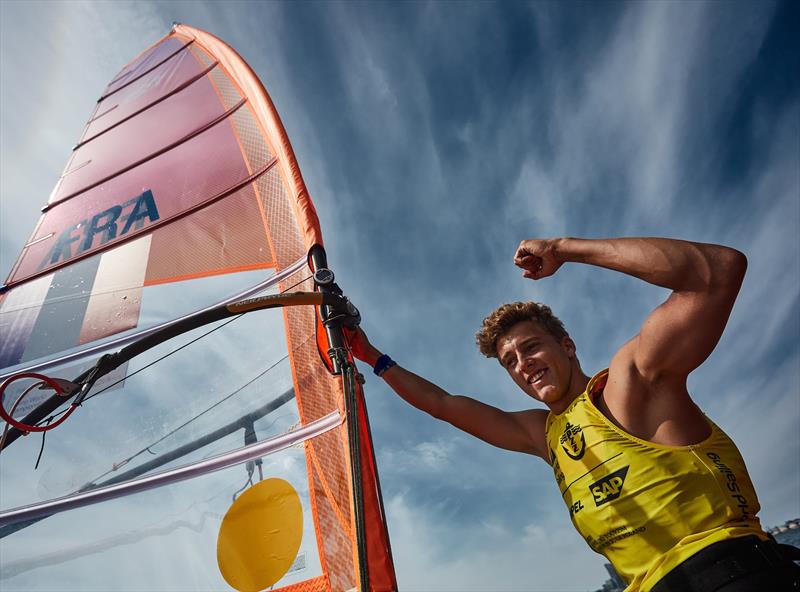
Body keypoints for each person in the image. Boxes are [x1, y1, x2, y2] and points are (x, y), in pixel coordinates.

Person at [348, 237, 800, 592]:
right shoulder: (544, 433)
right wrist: (371, 356)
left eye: (531, 347)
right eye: (510, 361)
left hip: (733, 572)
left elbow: (717, 271)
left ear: (567, 346)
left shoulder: (631, 384)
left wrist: (565, 250)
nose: (523, 364)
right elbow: (443, 405)